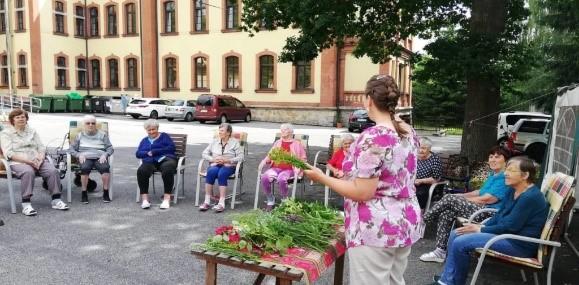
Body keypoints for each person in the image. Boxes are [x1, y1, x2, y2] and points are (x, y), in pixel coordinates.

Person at [305, 75, 421, 285]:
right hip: (405, 221)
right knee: (395, 281)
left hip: (376, 228)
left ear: (368, 100)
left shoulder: (373, 137)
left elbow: (362, 192)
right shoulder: (408, 131)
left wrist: (322, 177)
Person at [430, 156, 548, 285]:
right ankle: (447, 279)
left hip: (518, 243)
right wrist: (480, 226)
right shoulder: (512, 189)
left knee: (461, 242)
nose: (506, 173)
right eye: (506, 169)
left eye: (511, 170)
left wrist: (481, 229)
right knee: (457, 233)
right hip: (505, 235)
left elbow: (511, 226)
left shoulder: (530, 197)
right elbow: (499, 214)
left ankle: (452, 282)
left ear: (525, 175)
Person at [419, 146, 510, 263]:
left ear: (506, 161)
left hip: (488, 214)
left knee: (450, 199)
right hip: (480, 208)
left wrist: (456, 199)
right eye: (491, 157)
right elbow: (479, 192)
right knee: (447, 212)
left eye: (497, 157)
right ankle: (440, 252)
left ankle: (423, 220)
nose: (492, 160)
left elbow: (488, 199)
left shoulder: (504, 178)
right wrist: (459, 196)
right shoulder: (494, 175)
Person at [0, 109, 69, 216]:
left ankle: (56, 200)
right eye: (17, 117)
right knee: (28, 172)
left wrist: (41, 159)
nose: (21, 119)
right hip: (18, 161)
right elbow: (8, 153)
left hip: (36, 160)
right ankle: (26, 204)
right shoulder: (6, 133)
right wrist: (28, 161)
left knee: (52, 170)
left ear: (26, 119)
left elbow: (41, 147)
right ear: (12, 120)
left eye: (23, 117)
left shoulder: (32, 131)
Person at [260, 123, 307, 211]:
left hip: (290, 169)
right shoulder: (277, 142)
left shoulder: (297, 144)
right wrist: (266, 160)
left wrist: (299, 165)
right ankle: (270, 199)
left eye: (284, 129)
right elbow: (270, 155)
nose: (281, 131)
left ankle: (284, 200)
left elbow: (303, 158)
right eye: (281, 129)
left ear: (290, 132)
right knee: (265, 177)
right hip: (276, 167)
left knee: (282, 178)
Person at [69, 115, 114, 204]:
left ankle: (105, 192)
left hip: (99, 157)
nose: (90, 125)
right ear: (84, 125)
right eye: (88, 123)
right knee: (85, 168)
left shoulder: (102, 135)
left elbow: (110, 148)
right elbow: (71, 149)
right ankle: (84, 193)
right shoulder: (79, 135)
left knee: (105, 168)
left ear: (95, 125)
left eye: (93, 123)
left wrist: (105, 154)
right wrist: (78, 155)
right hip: (85, 157)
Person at [199, 123, 243, 213]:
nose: (219, 132)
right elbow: (204, 153)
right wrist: (213, 159)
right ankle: (207, 201)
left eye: (222, 130)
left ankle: (221, 202)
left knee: (222, 173)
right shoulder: (214, 141)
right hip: (216, 164)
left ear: (228, 133)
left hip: (229, 165)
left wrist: (228, 160)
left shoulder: (234, 142)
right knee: (211, 171)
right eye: (219, 130)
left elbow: (241, 157)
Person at [135, 119, 176, 210]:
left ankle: (166, 199)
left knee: (168, 169)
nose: (151, 132)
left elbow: (171, 148)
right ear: (146, 130)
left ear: (157, 128)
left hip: (166, 159)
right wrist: (146, 153)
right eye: (149, 130)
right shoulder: (144, 140)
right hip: (150, 161)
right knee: (142, 171)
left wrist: (155, 151)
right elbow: (138, 154)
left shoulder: (164, 136)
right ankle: (145, 200)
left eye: (153, 129)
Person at [415, 137, 443, 209]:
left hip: (427, 185)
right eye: (419, 147)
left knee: (419, 194)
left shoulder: (435, 159)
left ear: (429, 149)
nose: (420, 150)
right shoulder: (414, 157)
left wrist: (421, 181)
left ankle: (419, 213)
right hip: (413, 182)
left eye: (424, 148)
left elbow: (436, 179)